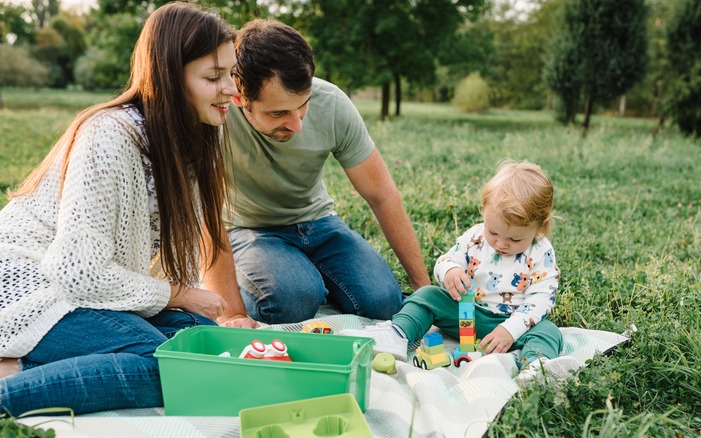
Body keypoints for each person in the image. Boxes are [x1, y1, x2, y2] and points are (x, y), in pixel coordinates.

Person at [0, 2, 243, 415]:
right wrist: (180, 295)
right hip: (34, 285)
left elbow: (176, 256)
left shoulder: (196, 137)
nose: (232, 90)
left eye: (232, 74)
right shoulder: (109, 136)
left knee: (199, 339)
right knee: (166, 366)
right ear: (169, 76)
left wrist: (184, 302)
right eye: (213, 77)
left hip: (91, 293)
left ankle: (40, 362)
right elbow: (77, 271)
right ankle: (12, 380)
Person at [201, 18, 430, 326]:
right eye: (279, 112)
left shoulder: (332, 103)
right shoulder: (215, 115)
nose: (297, 124)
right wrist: (232, 313)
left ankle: (305, 274)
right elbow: (205, 216)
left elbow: (382, 194)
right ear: (240, 99)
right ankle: (297, 281)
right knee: (292, 301)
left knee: (385, 302)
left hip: (320, 223)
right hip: (251, 228)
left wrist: (423, 289)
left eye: (303, 105)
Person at [345, 161, 569, 376]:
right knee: (427, 295)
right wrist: (450, 271)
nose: (501, 244)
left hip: (511, 323)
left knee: (548, 331)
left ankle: (535, 368)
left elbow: (541, 299)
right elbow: (445, 261)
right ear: (484, 211)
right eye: (493, 232)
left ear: (540, 227)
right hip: (466, 312)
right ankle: (397, 334)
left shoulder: (541, 252)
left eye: (514, 239)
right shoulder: (475, 237)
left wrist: (510, 330)